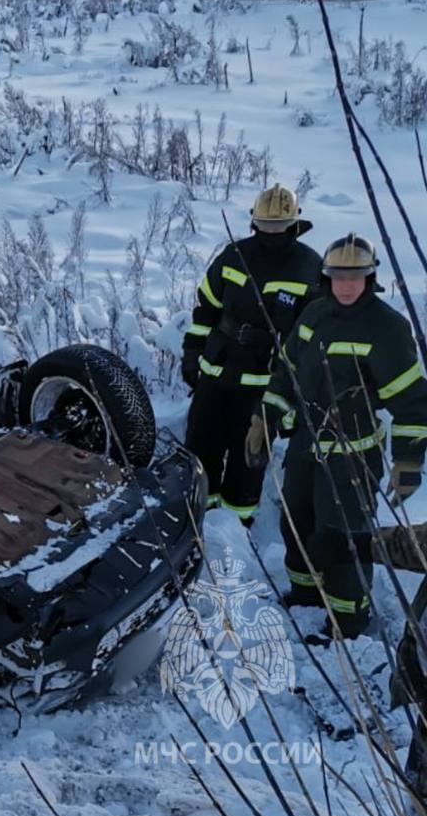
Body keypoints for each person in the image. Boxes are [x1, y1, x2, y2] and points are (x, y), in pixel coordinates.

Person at [248, 233, 427, 638]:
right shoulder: (314, 315)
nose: (346, 285)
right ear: (327, 277)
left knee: (345, 538)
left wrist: (409, 462)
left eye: (356, 276)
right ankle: (307, 593)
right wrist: (265, 417)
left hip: (352, 457)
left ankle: (348, 618)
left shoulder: (388, 328)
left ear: (370, 278)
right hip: (304, 447)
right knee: (297, 521)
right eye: (338, 276)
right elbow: (287, 372)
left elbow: (413, 404)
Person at [182, 183, 323, 525]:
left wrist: (291, 401)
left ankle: (237, 527)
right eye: (265, 225)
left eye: (278, 226)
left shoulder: (309, 267)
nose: (271, 232)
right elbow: (206, 309)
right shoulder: (233, 255)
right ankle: (199, 516)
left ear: (294, 223)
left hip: (265, 384)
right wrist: (191, 351)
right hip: (217, 372)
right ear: (253, 222)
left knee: (249, 460)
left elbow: (310, 340)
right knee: (201, 449)